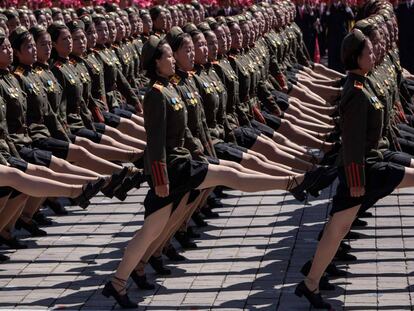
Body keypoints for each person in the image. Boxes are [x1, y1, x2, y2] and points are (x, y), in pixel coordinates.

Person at [101, 36, 328, 308]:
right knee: (229, 173)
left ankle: (117, 282)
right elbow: (155, 141)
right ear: (156, 63)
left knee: (151, 229)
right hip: (173, 168)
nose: (173, 59)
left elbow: (186, 129)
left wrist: (197, 151)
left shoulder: (172, 88)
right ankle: (293, 181)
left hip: (182, 161)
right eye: (168, 56)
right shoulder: (154, 94)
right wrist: (160, 179)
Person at [295, 29, 414, 309]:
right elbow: (351, 142)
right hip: (363, 170)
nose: (373, 56)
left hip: (370, 164)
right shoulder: (356, 92)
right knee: (338, 226)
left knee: (339, 227)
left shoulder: (364, 83)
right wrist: (356, 179)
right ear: (355, 58)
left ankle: (310, 281)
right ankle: (311, 281)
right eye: (368, 52)